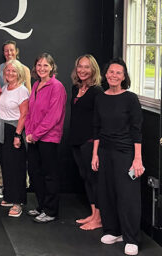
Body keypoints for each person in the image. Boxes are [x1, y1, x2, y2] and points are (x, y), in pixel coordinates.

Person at [92, 58, 144, 256]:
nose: (114, 75)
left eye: (118, 73)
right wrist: (95, 154)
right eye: (111, 72)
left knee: (127, 196)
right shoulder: (100, 98)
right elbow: (96, 128)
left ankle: (131, 238)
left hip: (126, 152)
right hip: (104, 151)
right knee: (106, 192)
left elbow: (136, 130)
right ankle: (113, 230)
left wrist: (137, 159)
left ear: (124, 77)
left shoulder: (130, 98)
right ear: (106, 74)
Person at [24, 53, 66, 223]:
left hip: (48, 138)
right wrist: (29, 132)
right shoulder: (36, 84)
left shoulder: (57, 87)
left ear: (52, 67)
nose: (42, 68)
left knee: (49, 175)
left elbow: (53, 116)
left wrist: (36, 134)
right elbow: (30, 111)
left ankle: (51, 211)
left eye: (45, 65)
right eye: (39, 65)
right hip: (34, 138)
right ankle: (41, 206)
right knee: (35, 173)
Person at [70, 54, 103, 231]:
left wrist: (96, 149)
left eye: (87, 67)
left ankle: (99, 218)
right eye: (80, 66)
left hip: (90, 142)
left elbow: (99, 120)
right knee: (86, 178)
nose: (83, 70)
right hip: (76, 140)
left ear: (93, 70)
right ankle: (92, 213)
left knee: (94, 179)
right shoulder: (76, 88)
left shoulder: (97, 91)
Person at [0, 59, 29, 217]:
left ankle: (18, 202)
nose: (10, 73)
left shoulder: (22, 90)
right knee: (6, 165)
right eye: (7, 70)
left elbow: (24, 115)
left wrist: (17, 135)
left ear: (20, 73)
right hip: (3, 130)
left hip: (15, 130)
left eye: (13, 71)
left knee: (16, 168)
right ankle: (9, 196)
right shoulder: (5, 87)